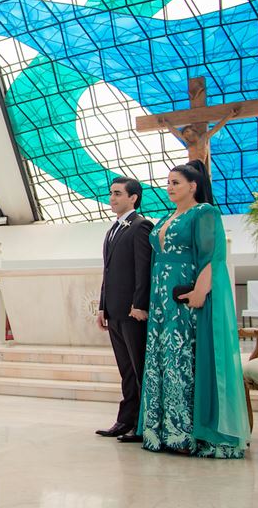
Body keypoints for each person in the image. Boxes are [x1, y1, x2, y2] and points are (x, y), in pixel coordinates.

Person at [138, 160, 250, 458]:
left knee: (184, 357)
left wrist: (200, 290)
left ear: (193, 186)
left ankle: (189, 432)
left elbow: (213, 255)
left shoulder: (205, 212)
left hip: (185, 296)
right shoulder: (166, 217)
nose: (170, 187)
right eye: (168, 183)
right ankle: (162, 431)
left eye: (176, 182)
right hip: (160, 300)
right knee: (165, 358)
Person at [95, 177, 153, 443]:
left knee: (138, 366)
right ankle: (125, 420)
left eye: (118, 194)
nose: (112, 198)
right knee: (126, 369)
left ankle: (143, 424)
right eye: (111, 193)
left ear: (133, 198)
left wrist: (140, 304)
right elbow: (107, 272)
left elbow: (143, 270)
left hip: (132, 312)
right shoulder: (113, 229)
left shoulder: (141, 226)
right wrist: (102, 307)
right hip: (114, 311)